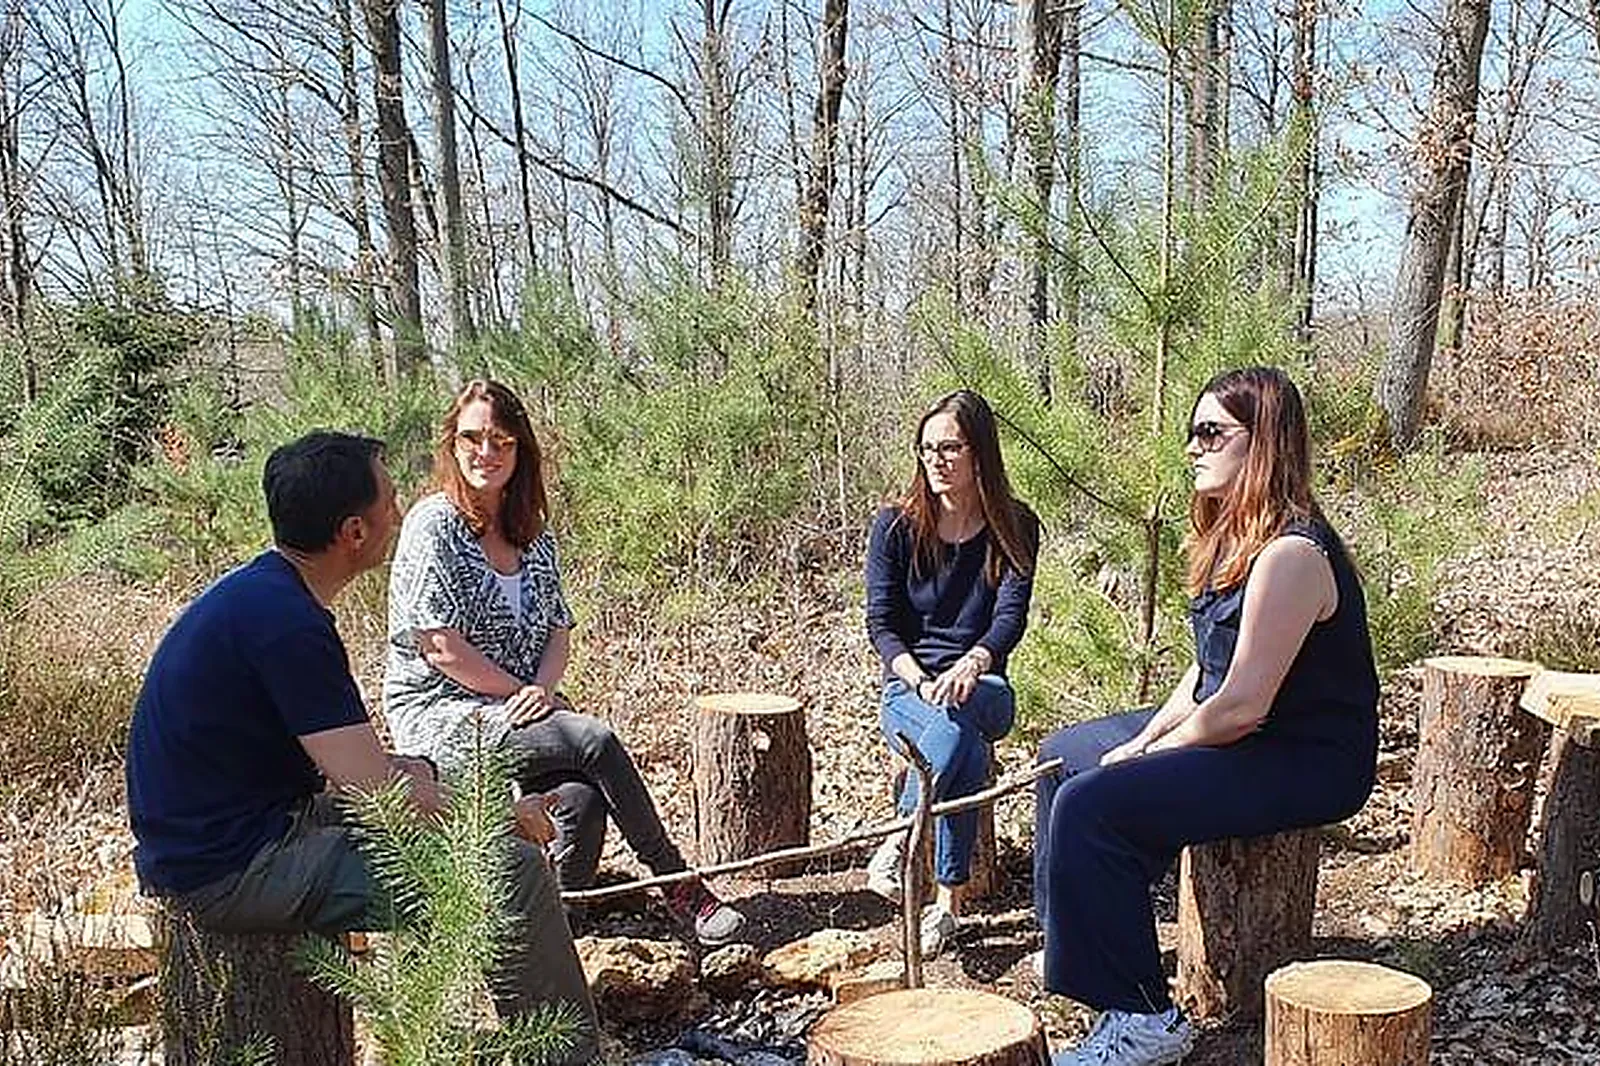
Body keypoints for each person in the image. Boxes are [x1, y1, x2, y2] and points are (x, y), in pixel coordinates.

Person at [126, 431, 599, 1064]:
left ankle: (454, 1029)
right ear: (353, 531)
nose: (399, 516)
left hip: (245, 826)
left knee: (434, 781)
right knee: (506, 869)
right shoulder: (287, 626)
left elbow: (356, 767)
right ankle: (565, 1056)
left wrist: (427, 782)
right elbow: (375, 794)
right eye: (390, 503)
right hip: (229, 867)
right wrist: (507, 814)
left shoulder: (265, 595)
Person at [1033, 367, 1380, 1066]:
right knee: (1063, 756)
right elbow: (1207, 671)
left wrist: (1144, 759)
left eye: (1211, 432)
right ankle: (1080, 957)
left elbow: (1242, 707)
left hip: (1307, 756)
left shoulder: (1291, 554)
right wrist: (1145, 736)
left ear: (1265, 443)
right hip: (1249, 730)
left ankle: (1145, 1016)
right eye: (1193, 431)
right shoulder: (1237, 538)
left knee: (1096, 805)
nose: (1192, 446)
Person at [383, 379, 746, 947]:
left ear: (520, 450)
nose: (486, 454)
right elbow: (439, 646)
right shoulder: (434, 525)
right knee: (593, 740)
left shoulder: (533, 531)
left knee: (577, 799)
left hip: (523, 705)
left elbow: (558, 629)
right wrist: (518, 694)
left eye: (501, 441)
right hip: (445, 711)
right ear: (452, 445)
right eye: (473, 439)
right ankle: (679, 884)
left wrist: (542, 690)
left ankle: (556, 931)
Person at [863, 389, 1040, 956]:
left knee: (965, 711)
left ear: (980, 452)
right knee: (957, 737)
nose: (936, 460)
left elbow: (1010, 619)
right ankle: (946, 904)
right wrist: (917, 678)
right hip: (909, 689)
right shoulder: (895, 526)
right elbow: (882, 624)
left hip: (985, 686)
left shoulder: (1014, 524)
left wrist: (974, 661)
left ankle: (898, 835)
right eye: (927, 448)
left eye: (950, 448)